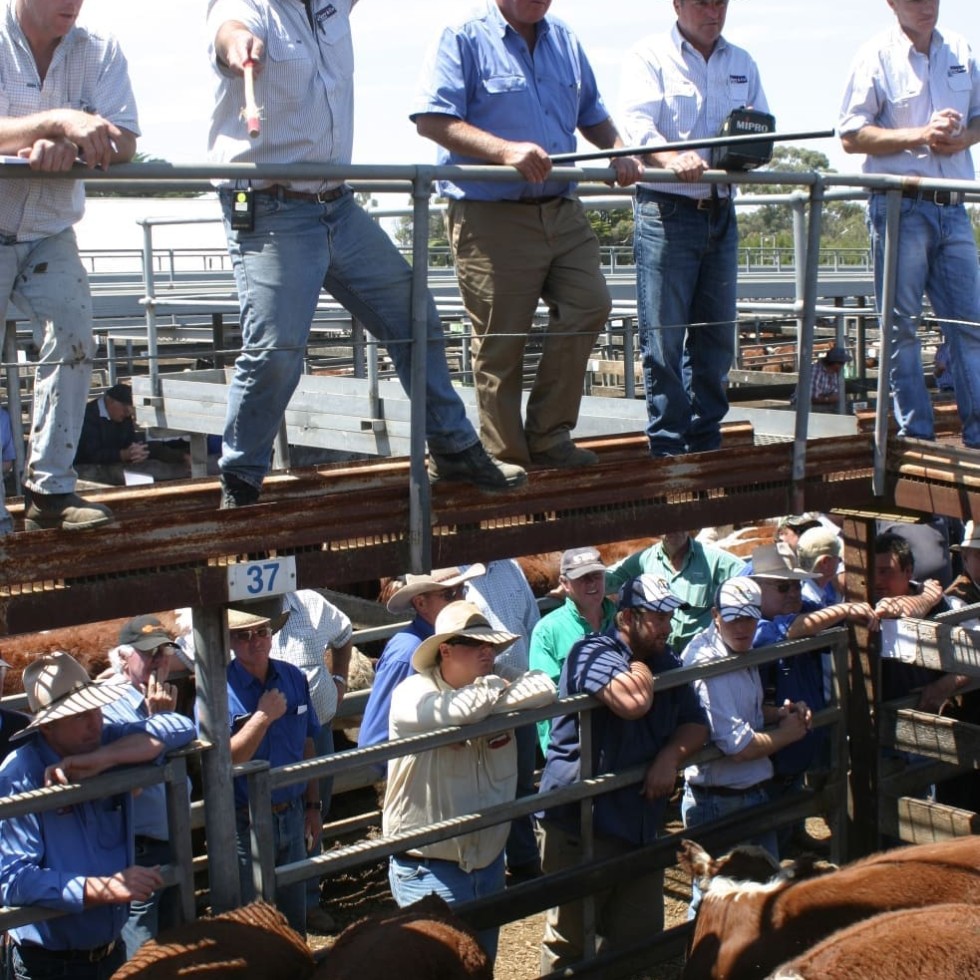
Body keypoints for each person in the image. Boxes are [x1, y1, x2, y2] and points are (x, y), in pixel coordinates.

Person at [206, 1, 525, 507]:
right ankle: (241, 479)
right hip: (271, 207)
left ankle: (452, 445)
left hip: (337, 204)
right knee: (276, 350)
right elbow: (229, 32)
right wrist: (237, 44)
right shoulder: (250, 6)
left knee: (415, 316)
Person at [412, 0, 641, 470]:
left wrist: (619, 150)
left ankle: (548, 435)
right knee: (501, 340)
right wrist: (504, 151)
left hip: (560, 208)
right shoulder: (464, 36)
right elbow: (432, 119)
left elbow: (591, 112)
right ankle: (504, 457)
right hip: (489, 212)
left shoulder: (565, 40)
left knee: (590, 302)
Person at [0, 0, 138, 533]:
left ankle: (50, 491)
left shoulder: (98, 48)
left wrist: (75, 145)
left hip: (50, 229)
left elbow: (124, 140)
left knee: (75, 334)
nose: (73, 2)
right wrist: (60, 121)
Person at [536, 575, 708, 973]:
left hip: (637, 821)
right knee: (572, 941)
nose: (668, 627)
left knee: (638, 936)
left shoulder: (667, 659)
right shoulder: (591, 652)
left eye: (670, 616)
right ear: (627, 617)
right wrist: (643, 670)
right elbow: (633, 701)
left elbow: (696, 724)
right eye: (659, 617)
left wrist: (669, 757)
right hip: (582, 824)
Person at [619, 0, 768, 457]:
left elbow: (761, 130)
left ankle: (705, 441)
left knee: (717, 336)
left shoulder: (742, 61)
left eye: (720, 2)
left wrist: (748, 155)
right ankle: (667, 444)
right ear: (678, 5)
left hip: (721, 212)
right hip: (667, 210)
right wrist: (671, 158)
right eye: (702, 2)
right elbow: (636, 124)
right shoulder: (650, 56)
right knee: (663, 337)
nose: (714, 11)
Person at [0, 651, 194, 980]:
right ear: (47, 726)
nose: (95, 723)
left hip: (110, 951)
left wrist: (101, 760)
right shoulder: (20, 775)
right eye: (78, 715)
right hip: (48, 964)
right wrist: (104, 888)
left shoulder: (102, 741)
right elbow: (13, 879)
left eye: (96, 709)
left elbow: (179, 726)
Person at [839, 0, 980, 450]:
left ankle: (977, 432)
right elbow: (850, 134)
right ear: (892, 3)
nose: (927, 6)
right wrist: (921, 134)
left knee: (970, 323)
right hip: (901, 204)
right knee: (902, 325)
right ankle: (916, 432)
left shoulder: (960, 49)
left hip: (954, 205)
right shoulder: (875, 56)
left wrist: (962, 138)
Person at [383, 600, 557, 963]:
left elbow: (544, 686)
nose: (488, 652)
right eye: (477, 644)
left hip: (488, 863)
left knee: (479, 966)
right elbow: (461, 710)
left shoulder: (490, 681)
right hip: (429, 868)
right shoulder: (411, 696)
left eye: (491, 645)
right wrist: (498, 693)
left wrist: (489, 696)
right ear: (445, 650)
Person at [681, 577, 811, 877]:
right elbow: (738, 746)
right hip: (719, 800)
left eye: (749, 619)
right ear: (716, 616)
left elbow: (744, 713)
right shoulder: (708, 662)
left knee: (760, 893)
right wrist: (788, 733)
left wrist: (779, 714)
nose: (741, 627)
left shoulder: (738, 648)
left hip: (747, 793)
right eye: (732, 619)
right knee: (716, 901)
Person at [219, 602, 320, 937]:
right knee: (248, 922)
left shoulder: (293, 677)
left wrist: (313, 806)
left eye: (262, 632)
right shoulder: (218, 691)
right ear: (231, 641)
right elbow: (226, 761)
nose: (256, 641)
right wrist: (263, 717)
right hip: (242, 818)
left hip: (291, 811)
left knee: (293, 918)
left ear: (272, 634)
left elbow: (307, 742)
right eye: (244, 635)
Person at [269, 589, 353, 935]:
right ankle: (272, 909)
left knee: (314, 808)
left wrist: (339, 680)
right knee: (270, 815)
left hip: (314, 727)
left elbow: (345, 634)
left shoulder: (310, 603)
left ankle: (306, 900)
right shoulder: (241, 612)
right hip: (267, 737)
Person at [100, 615, 184, 958]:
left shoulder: (164, 695)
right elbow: (123, 786)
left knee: (176, 943)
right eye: (149, 653)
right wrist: (158, 722)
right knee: (143, 952)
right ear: (123, 658)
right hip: (136, 847)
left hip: (172, 837)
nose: (158, 661)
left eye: (163, 652)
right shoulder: (108, 709)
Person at [462, 558, 542, 880]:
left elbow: (531, 621)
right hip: (477, 700)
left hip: (517, 691)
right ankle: (486, 864)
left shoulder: (510, 566)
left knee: (520, 778)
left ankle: (522, 859)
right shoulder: (453, 574)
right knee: (483, 784)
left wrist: (527, 677)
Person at [357, 565, 485, 759]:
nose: (461, 600)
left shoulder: (452, 640)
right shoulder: (407, 652)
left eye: (462, 590)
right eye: (449, 594)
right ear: (421, 603)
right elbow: (376, 741)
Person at [529, 546, 616, 754]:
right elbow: (545, 695)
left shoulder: (621, 619)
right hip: (575, 745)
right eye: (582, 578)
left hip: (620, 738)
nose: (592, 583)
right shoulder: (548, 630)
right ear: (564, 584)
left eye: (596, 575)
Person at [604, 529, 746, 652]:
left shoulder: (713, 559)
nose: (673, 530)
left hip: (703, 652)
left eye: (679, 522)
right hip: (660, 652)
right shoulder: (643, 560)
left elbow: (748, 577)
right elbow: (609, 580)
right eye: (666, 523)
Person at [74, 383, 189, 485]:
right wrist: (122, 454)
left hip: (115, 461)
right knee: (140, 473)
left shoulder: (123, 417)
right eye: (124, 408)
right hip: (86, 466)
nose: (128, 413)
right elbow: (90, 454)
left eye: (130, 410)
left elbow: (132, 443)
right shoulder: (87, 416)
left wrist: (137, 452)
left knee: (154, 464)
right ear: (110, 401)